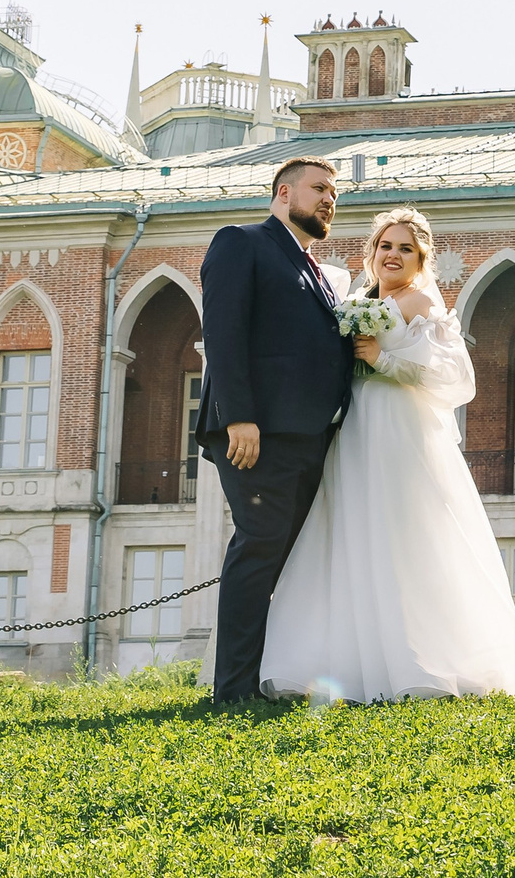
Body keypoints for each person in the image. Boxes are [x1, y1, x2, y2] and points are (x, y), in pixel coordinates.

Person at [259, 206, 515, 701]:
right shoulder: (357, 302)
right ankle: (348, 662)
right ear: (372, 253)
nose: (393, 255)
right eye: (385, 246)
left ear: (420, 257)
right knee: (352, 531)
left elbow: (454, 378)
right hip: (356, 429)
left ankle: (422, 660)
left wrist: (384, 360)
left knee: (407, 534)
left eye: (405, 248)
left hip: (402, 432)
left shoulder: (422, 302)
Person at [195, 156, 354, 704]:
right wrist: (240, 416)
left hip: (306, 435)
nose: (330, 199)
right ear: (284, 192)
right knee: (259, 545)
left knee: (285, 555)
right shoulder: (241, 242)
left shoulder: (315, 268)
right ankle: (233, 690)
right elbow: (223, 330)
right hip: (256, 431)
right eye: (320, 189)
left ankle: (265, 678)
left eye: (335, 192)